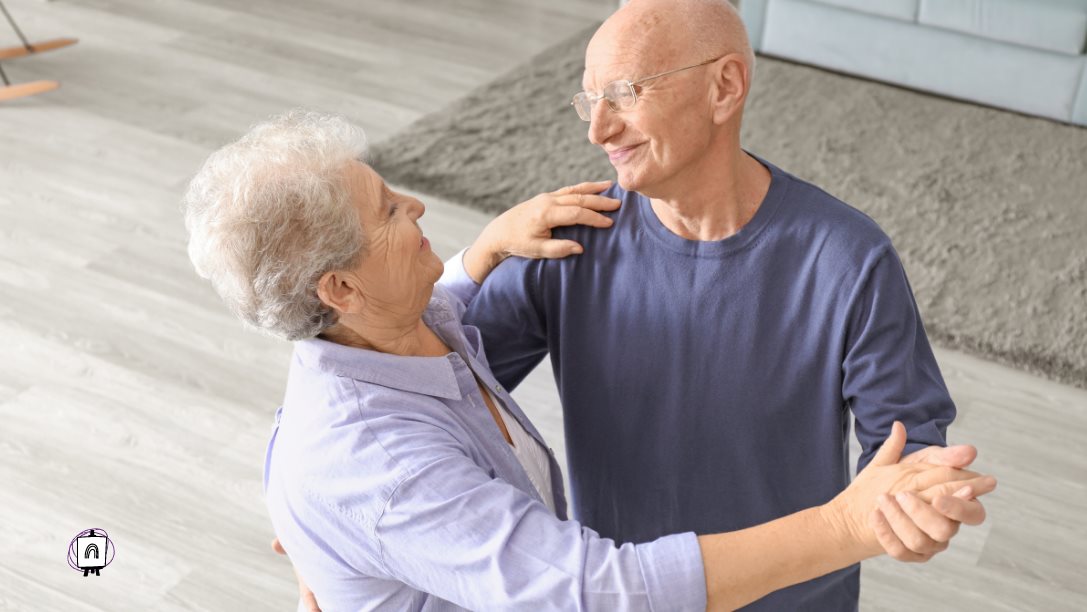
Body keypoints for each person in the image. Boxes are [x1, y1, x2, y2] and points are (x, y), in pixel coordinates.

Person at [183, 110, 993, 611]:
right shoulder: (381, 473)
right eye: (390, 212)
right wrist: (849, 523)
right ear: (342, 288)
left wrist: (487, 248)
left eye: (628, 93)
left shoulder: (392, 323)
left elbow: (438, 318)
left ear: (724, 89)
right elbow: (595, 594)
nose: (417, 205)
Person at [437, 0, 992, 608]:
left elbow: (906, 448)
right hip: (626, 595)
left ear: (724, 87)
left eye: (623, 92)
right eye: (589, 100)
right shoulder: (571, 239)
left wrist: (912, 507)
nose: (598, 130)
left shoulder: (849, 258)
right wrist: (482, 253)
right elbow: (434, 385)